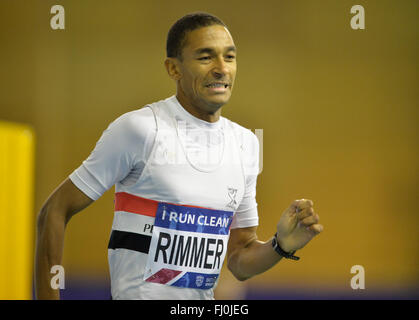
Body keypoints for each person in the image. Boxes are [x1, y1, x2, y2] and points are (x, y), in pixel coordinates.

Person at [35, 12, 323, 300]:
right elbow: (54, 211)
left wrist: (281, 245)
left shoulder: (245, 144)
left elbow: (239, 261)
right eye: (206, 57)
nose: (222, 68)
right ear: (174, 69)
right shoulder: (140, 129)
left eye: (230, 57)